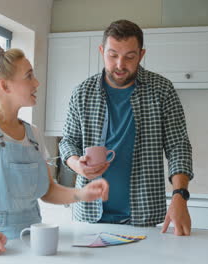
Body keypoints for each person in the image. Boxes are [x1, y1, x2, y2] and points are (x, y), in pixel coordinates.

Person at [0, 44, 109, 255]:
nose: (37, 83)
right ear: (5, 86)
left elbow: (48, 191)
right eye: (29, 76)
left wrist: (82, 194)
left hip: (33, 244)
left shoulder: (33, 134)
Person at [59, 19, 193, 236]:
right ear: (102, 51)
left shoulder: (162, 90)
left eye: (129, 57)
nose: (120, 64)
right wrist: (76, 164)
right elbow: (68, 141)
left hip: (142, 216)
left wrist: (180, 195)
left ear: (141, 55)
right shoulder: (82, 92)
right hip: (90, 216)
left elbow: (178, 146)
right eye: (113, 55)